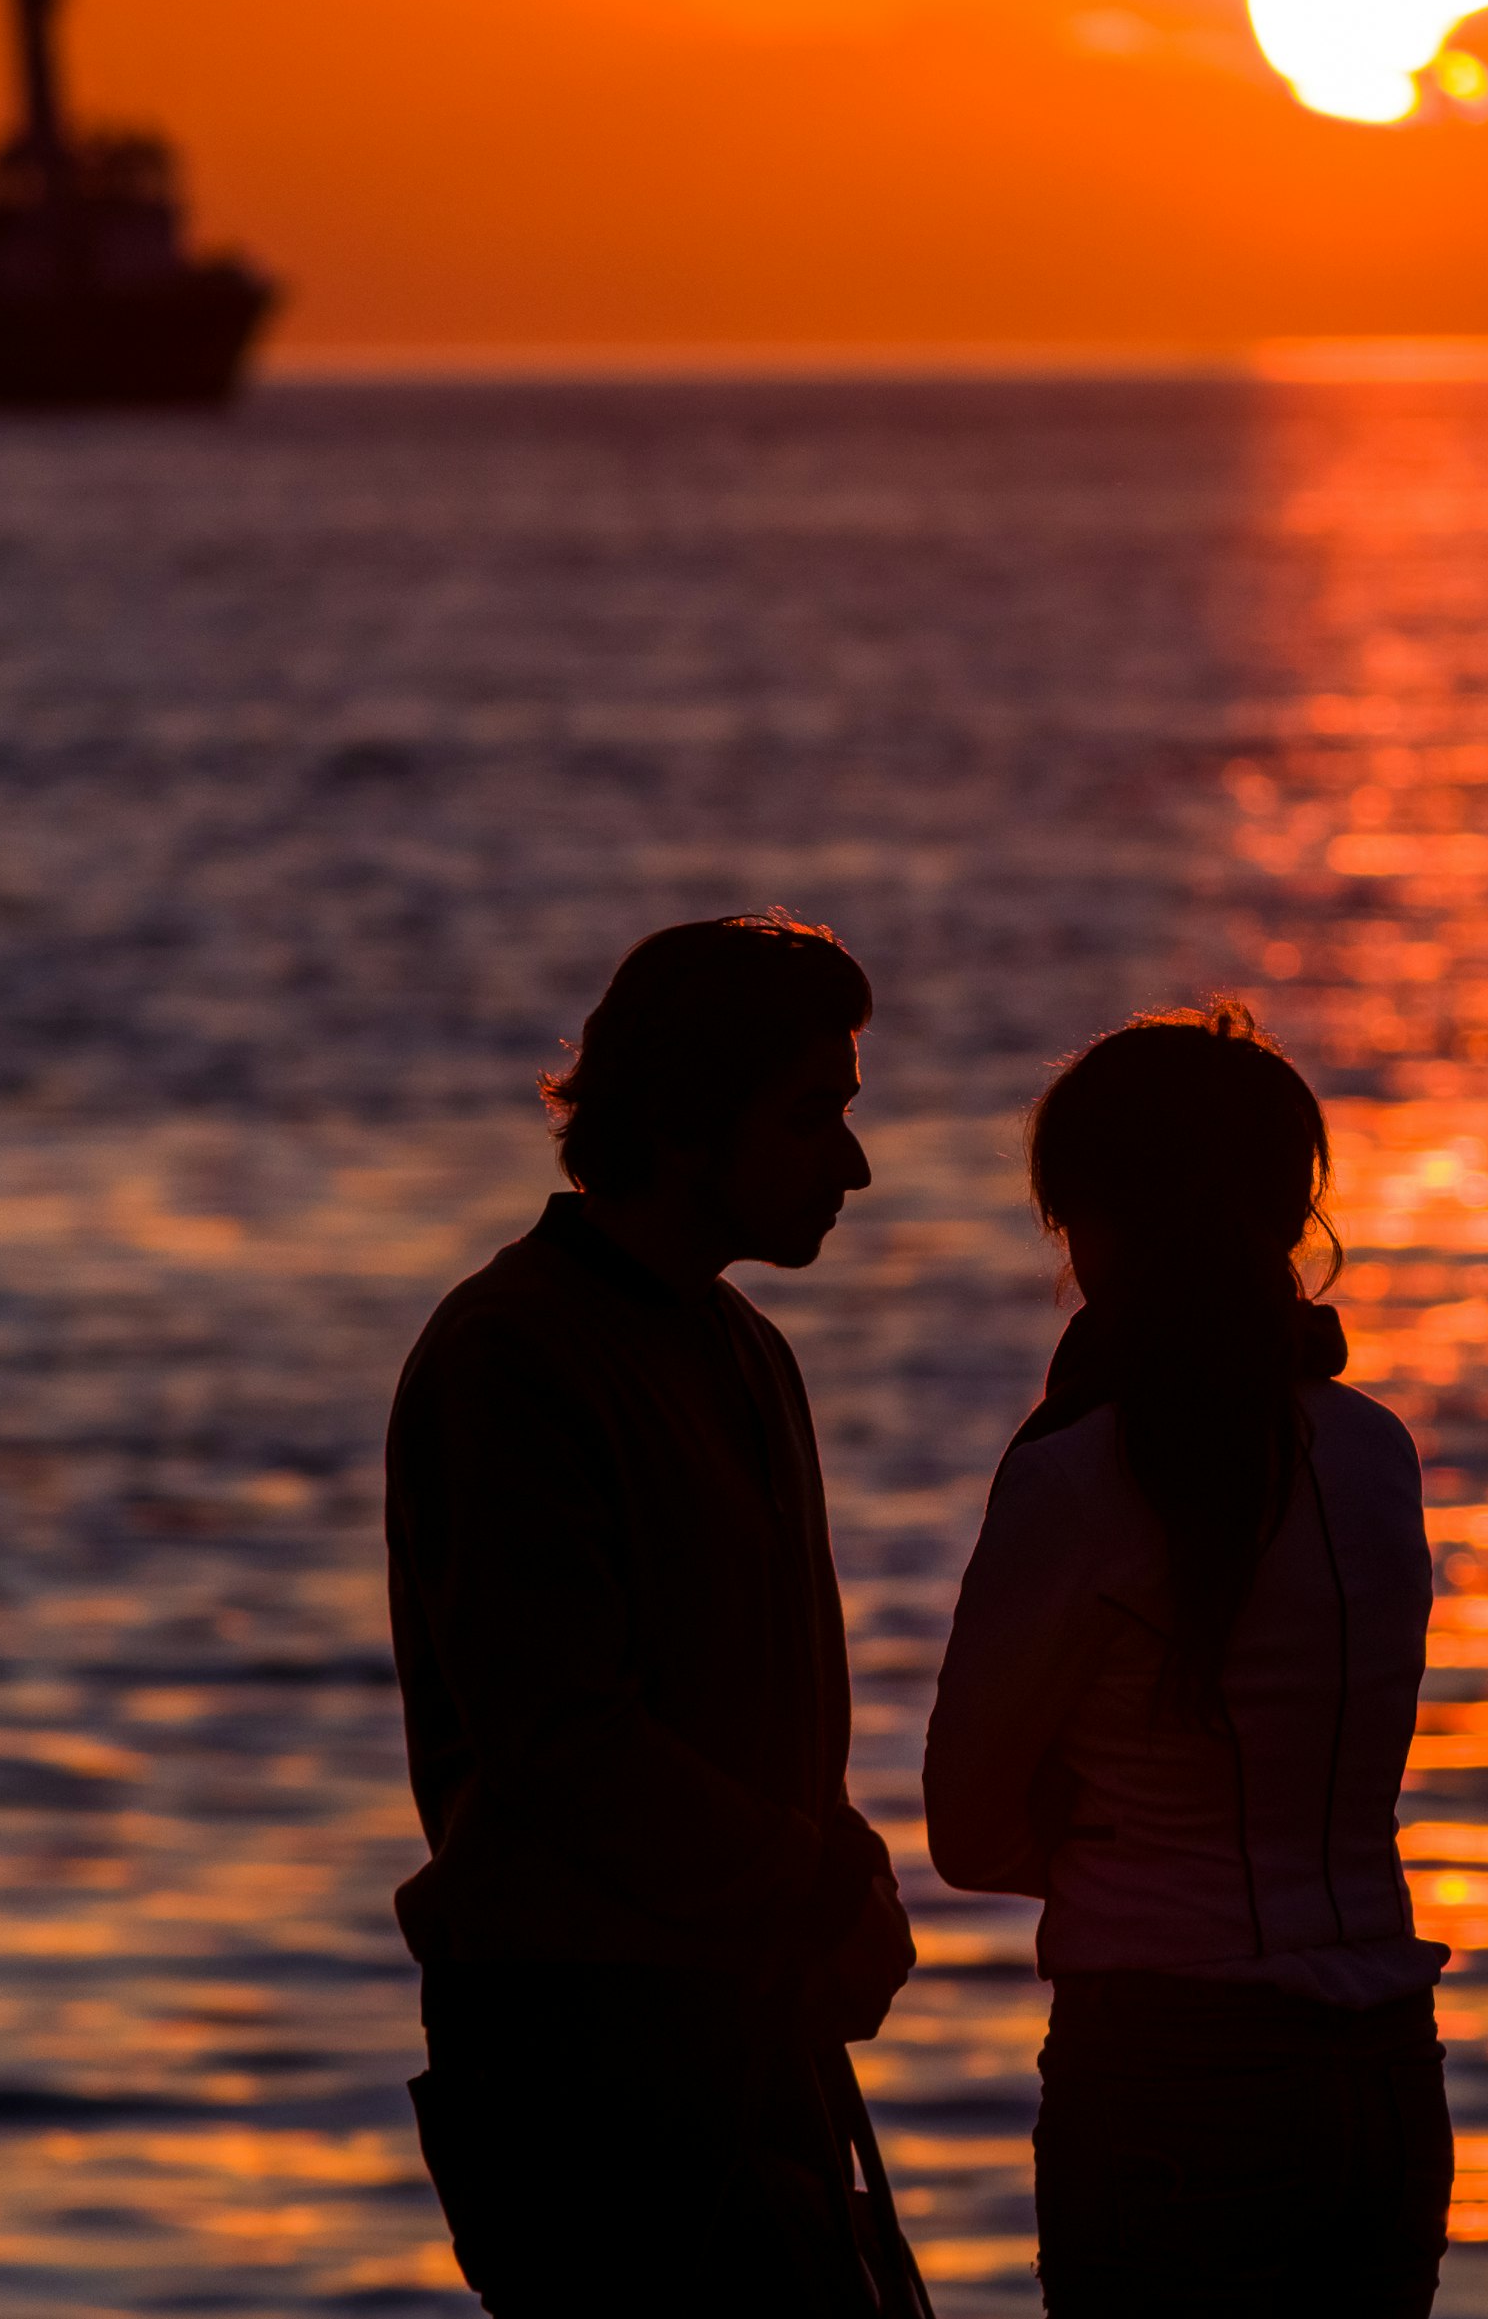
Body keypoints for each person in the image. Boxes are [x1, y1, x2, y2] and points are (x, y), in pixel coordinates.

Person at [383, 914, 930, 2318]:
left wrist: (849, 1871)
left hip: (746, 2035)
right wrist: (812, 1885)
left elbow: (760, 1714)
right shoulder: (511, 1353)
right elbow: (561, 1739)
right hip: (584, 2063)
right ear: (687, 1127)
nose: (853, 1163)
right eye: (814, 1118)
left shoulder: (745, 1349)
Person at [925, 1004, 1451, 2317]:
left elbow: (968, 1828)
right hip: (1383, 2066)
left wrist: (1117, 1837)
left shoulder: (1078, 1478)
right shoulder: (1377, 1453)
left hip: (1171, 2066)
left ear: (1098, 1226)